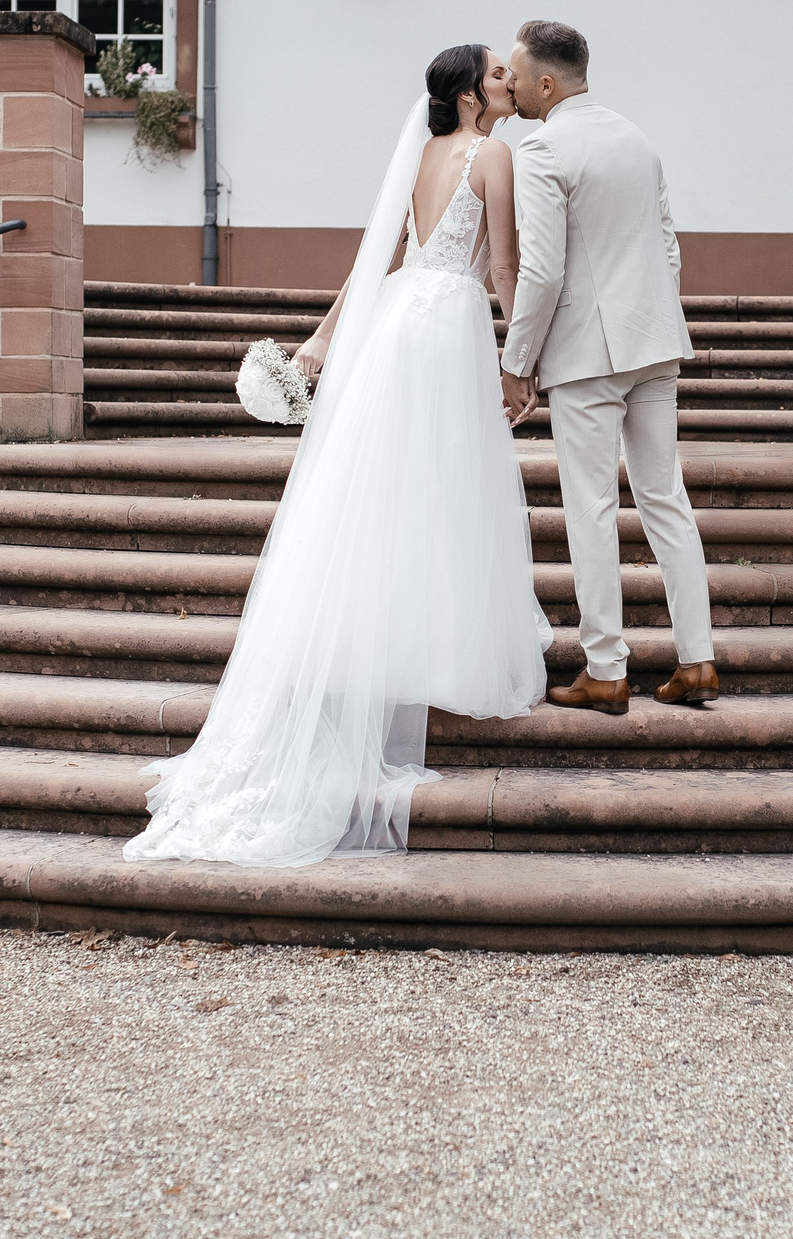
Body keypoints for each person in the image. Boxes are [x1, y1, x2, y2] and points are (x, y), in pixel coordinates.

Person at [124, 44, 547, 868]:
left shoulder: (420, 155)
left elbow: (375, 264)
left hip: (396, 327)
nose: (508, 81)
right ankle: (434, 652)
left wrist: (320, 341)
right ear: (470, 94)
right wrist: (521, 359)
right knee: (446, 493)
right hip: (452, 323)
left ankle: (370, 648)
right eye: (497, 73)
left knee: (380, 492)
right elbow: (502, 267)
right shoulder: (495, 153)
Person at [500, 20, 718, 716]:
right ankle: (698, 660)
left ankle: (605, 669)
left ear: (545, 82)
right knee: (666, 501)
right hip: (654, 341)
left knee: (590, 506)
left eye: (516, 74)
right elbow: (669, 245)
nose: (511, 86)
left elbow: (540, 270)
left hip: (588, 355)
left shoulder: (541, 149)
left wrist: (516, 360)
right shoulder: (636, 138)